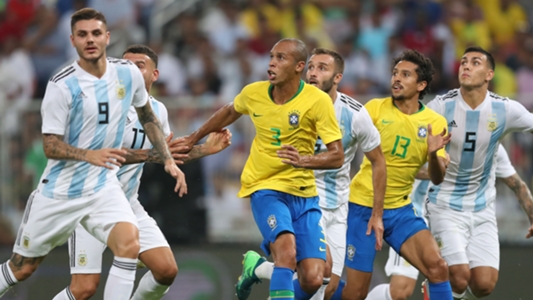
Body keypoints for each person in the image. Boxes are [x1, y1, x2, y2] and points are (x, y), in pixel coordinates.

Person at [0, 9, 186, 300]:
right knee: (21, 269)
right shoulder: (62, 85)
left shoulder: (126, 74)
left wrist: (168, 159)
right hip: (61, 191)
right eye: (83, 34)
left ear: (107, 37)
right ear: (73, 40)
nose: (90, 40)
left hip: (103, 188)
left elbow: (147, 114)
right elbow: (50, 145)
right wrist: (89, 155)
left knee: (128, 243)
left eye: (96, 33)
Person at [51, 44, 232, 300]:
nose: (131, 71)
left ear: (154, 75)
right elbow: (110, 156)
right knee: (83, 289)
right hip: (91, 202)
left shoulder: (158, 111)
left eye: (139, 65)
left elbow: (166, 155)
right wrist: (154, 155)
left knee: (165, 270)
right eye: (125, 65)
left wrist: (205, 150)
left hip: (127, 204)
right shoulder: (105, 107)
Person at [182, 38, 345, 300]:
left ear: (298, 66)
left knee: (314, 278)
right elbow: (229, 111)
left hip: (303, 194)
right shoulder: (254, 93)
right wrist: (193, 137)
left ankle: (257, 268)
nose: (271, 63)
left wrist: (302, 160)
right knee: (287, 253)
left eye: (281, 58)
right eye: (271, 56)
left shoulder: (317, 101)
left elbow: (337, 156)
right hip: (265, 188)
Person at [233, 47, 386, 300]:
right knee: (306, 272)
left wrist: (377, 214)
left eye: (322, 68)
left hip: (337, 205)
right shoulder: (292, 100)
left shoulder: (355, 115)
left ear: (338, 77)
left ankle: (258, 268)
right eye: (311, 67)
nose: (313, 73)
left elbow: (378, 161)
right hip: (300, 197)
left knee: (327, 285)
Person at [340, 49, 453, 300]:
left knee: (438, 268)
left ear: (421, 84)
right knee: (355, 294)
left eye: (405, 74)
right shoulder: (374, 109)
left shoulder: (435, 122)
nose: (396, 79)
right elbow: (342, 148)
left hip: (400, 210)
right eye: (394, 73)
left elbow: (437, 177)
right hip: (362, 207)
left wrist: (434, 155)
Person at [425, 46, 533, 300]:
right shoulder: (441, 106)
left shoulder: (505, 110)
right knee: (460, 277)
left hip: (483, 209)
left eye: (475, 62)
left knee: (483, 285)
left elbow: (516, 183)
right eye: (463, 62)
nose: (466, 66)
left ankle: (444, 290)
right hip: (445, 205)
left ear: (489, 74)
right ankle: (436, 288)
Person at [366, 144, 533, 300]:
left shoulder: (491, 144)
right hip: (414, 214)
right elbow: (402, 164)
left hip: (454, 219)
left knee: (474, 282)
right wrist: (444, 169)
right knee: (400, 291)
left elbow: (518, 184)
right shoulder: (434, 133)